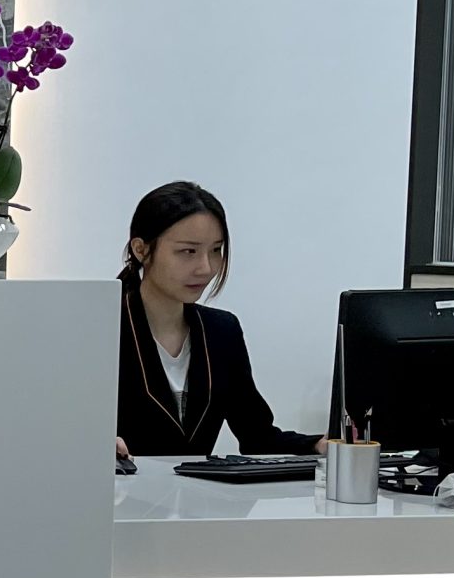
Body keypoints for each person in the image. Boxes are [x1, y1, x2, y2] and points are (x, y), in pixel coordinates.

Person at [115, 182, 318, 459]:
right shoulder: (103, 328)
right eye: (188, 251)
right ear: (141, 249)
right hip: (114, 487)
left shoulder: (221, 332)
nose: (206, 268)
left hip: (197, 489)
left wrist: (318, 445)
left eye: (216, 250)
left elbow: (257, 436)